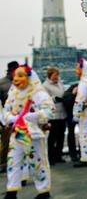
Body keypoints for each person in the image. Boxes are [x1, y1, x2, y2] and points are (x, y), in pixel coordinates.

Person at [3, 65, 55, 199]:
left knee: (38, 162)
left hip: (34, 134)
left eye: (20, 76)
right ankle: (12, 191)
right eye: (15, 76)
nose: (16, 79)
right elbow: (6, 111)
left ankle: (43, 191)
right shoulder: (13, 93)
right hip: (17, 133)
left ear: (28, 77)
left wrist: (37, 116)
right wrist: (10, 118)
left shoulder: (38, 93)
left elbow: (50, 110)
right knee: (13, 161)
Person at [42, 66, 66, 165]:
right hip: (53, 115)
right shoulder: (45, 86)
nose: (57, 77)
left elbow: (64, 93)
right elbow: (44, 99)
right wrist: (55, 99)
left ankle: (58, 156)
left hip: (62, 113)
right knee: (52, 137)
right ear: (50, 75)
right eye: (55, 75)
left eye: (58, 75)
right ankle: (51, 158)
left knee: (61, 136)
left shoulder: (60, 83)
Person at [0, 61, 19, 173]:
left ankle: (16, 162)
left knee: (18, 142)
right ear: (12, 71)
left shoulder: (20, 81)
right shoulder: (2, 83)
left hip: (18, 117)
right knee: (5, 142)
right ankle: (2, 163)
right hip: (6, 117)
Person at [62, 83, 79, 162]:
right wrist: (73, 94)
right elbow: (67, 103)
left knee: (79, 134)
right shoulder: (69, 93)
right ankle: (73, 154)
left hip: (78, 115)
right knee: (71, 134)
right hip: (71, 115)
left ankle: (79, 152)